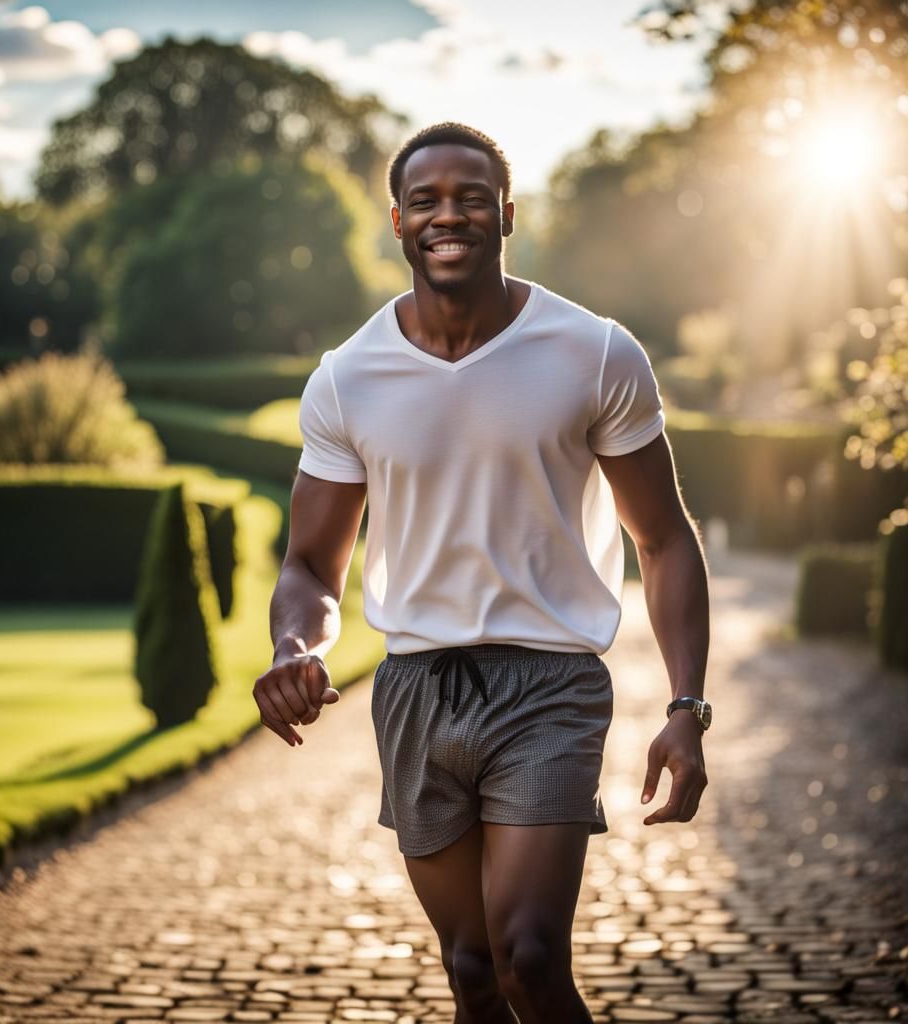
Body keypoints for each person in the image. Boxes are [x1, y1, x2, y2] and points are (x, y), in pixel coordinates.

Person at [255, 121, 710, 1023]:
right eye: (426, 200)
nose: (447, 215)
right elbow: (311, 562)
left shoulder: (596, 352)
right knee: (470, 969)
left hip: (551, 687)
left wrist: (687, 707)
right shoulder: (348, 378)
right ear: (397, 221)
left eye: (470, 197)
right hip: (417, 689)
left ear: (507, 212)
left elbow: (663, 540)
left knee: (530, 959)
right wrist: (292, 644)